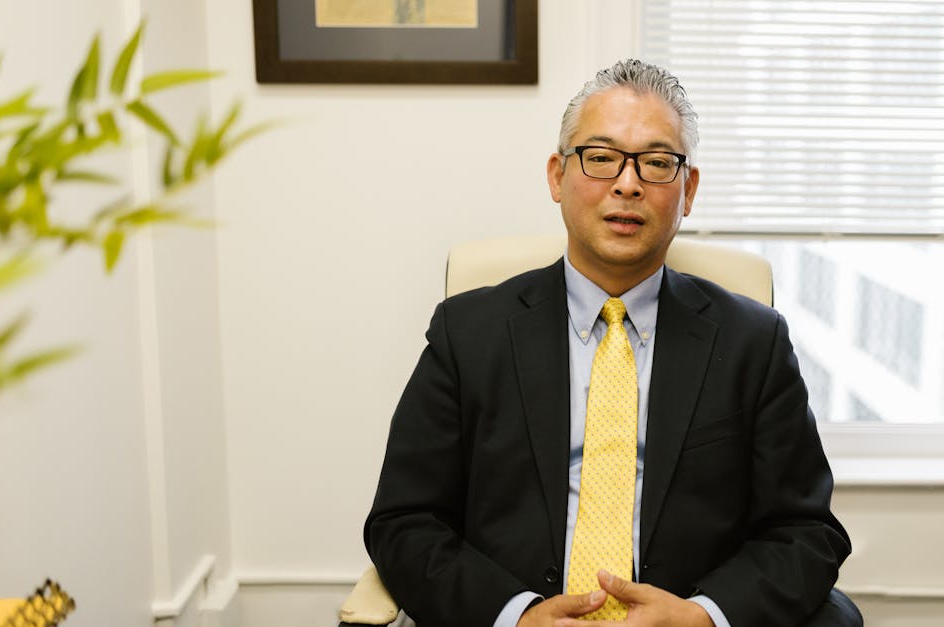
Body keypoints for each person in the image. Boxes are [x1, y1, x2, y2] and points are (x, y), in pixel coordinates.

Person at [364, 59, 851, 627]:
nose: (627, 183)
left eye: (657, 163)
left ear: (687, 190)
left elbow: (806, 531)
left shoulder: (753, 342)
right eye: (600, 158)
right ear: (557, 176)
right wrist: (516, 616)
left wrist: (702, 617)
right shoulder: (468, 332)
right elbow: (404, 520)